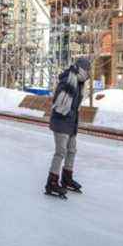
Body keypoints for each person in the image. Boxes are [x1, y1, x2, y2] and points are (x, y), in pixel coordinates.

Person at [45, 57, 90, 198]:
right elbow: (59, 103)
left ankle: (66, 177)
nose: (89, 73)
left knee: (72, 150)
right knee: (60, 152)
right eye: (88, 70)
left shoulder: (80, 82)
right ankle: (51, 182)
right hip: (61, 121)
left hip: (71, 123)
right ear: (82, 69)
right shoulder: (68, 80)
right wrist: (69, 113)